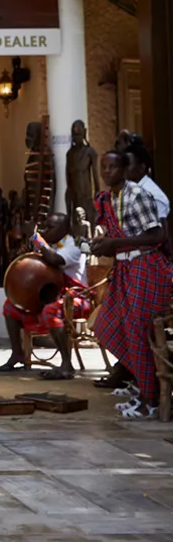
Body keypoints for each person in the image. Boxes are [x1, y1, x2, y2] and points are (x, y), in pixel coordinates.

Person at [92, 151, 173, 418]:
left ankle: (149, 400)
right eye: (103, 167)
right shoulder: (107, 199)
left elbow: (157, 234)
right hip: (124, 268)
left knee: (137, 328)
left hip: (145, 266)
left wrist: (114, 244)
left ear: (124, 168)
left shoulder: (137, 195)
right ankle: (143, 384)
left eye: (112, 167)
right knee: (107, 325)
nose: (107, 172)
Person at [0, 212, 89, 380]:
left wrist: (34, 236)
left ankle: (67, 365)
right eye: (44, 227)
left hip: (76, 299)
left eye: (50, 227)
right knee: (10, 306)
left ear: (64, 229)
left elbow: (55, 259)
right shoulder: (51, 244)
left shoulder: (73, 244)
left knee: (50, 311)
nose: (45, 230)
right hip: (51, 294)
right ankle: (17, 354)